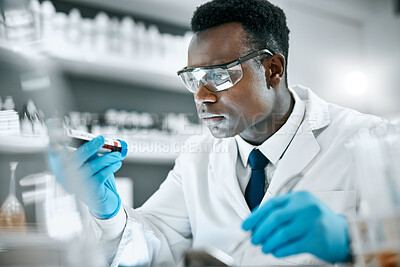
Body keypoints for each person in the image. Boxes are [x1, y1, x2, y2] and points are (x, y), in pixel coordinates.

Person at [52, 0, 383, 266]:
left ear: (273, 70)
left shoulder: (371, 139)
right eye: (194, 79)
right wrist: (107, 211)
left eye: (221, 75)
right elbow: (155, 243)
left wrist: (350, 242)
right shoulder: (197, 157)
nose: (201, 96)